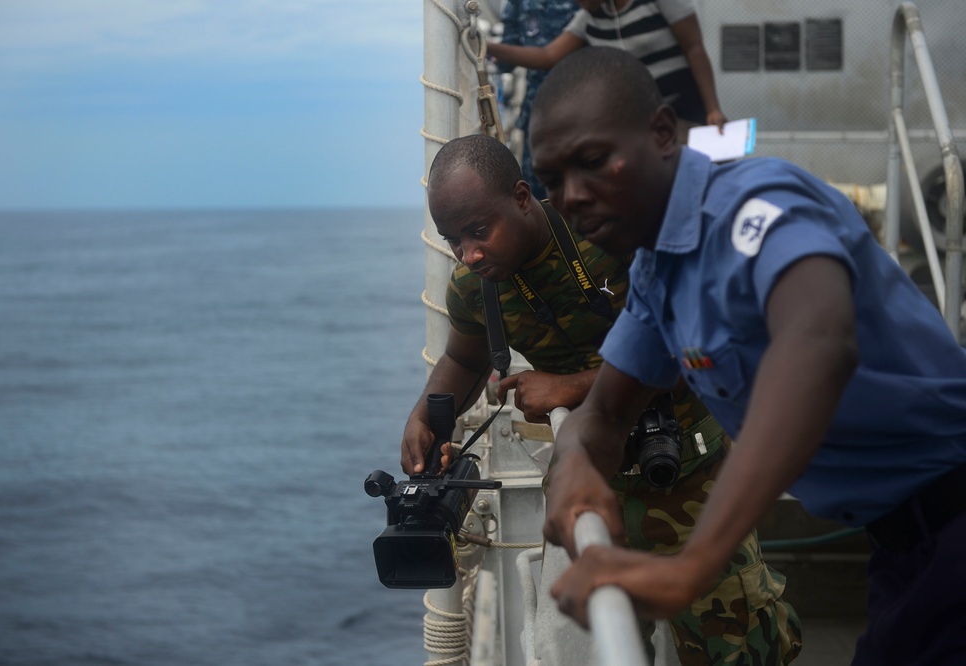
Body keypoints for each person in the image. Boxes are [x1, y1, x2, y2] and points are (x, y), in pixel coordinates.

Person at [528, 46, 966, 665]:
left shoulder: (757, 206)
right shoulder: (660, 272)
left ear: (661, 132)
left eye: (594, 161)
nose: (571, 196)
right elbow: (602, 415)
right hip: (902, 542)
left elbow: (818, 343)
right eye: (552, 181)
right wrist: (572, 463)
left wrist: (690, 567)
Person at [402, 133, 802, 664]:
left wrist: (570, 387)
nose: (469, 254)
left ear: (522, 197)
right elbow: (465, 359)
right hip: (588, 486)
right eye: (453, 240)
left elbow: (698, 345)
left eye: (479, 231)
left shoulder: (610, 238)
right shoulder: (475, 287)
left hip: (688, 473)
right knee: (599, 645)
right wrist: (427, 415)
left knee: (737, 640)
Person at [487, 0, 727, 139]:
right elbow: (548, 56)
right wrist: (487, 46)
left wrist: (713, 109)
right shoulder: (588, 18)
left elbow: (694, 48)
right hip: (641, 123)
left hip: (686, 114)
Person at [495, 1, 578, 200]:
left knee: (581, 185)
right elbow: (507, 61)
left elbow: (550, 56)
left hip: (581, 110)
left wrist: (490, 48)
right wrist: (484, 48)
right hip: (538, 114)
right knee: (541, 196)